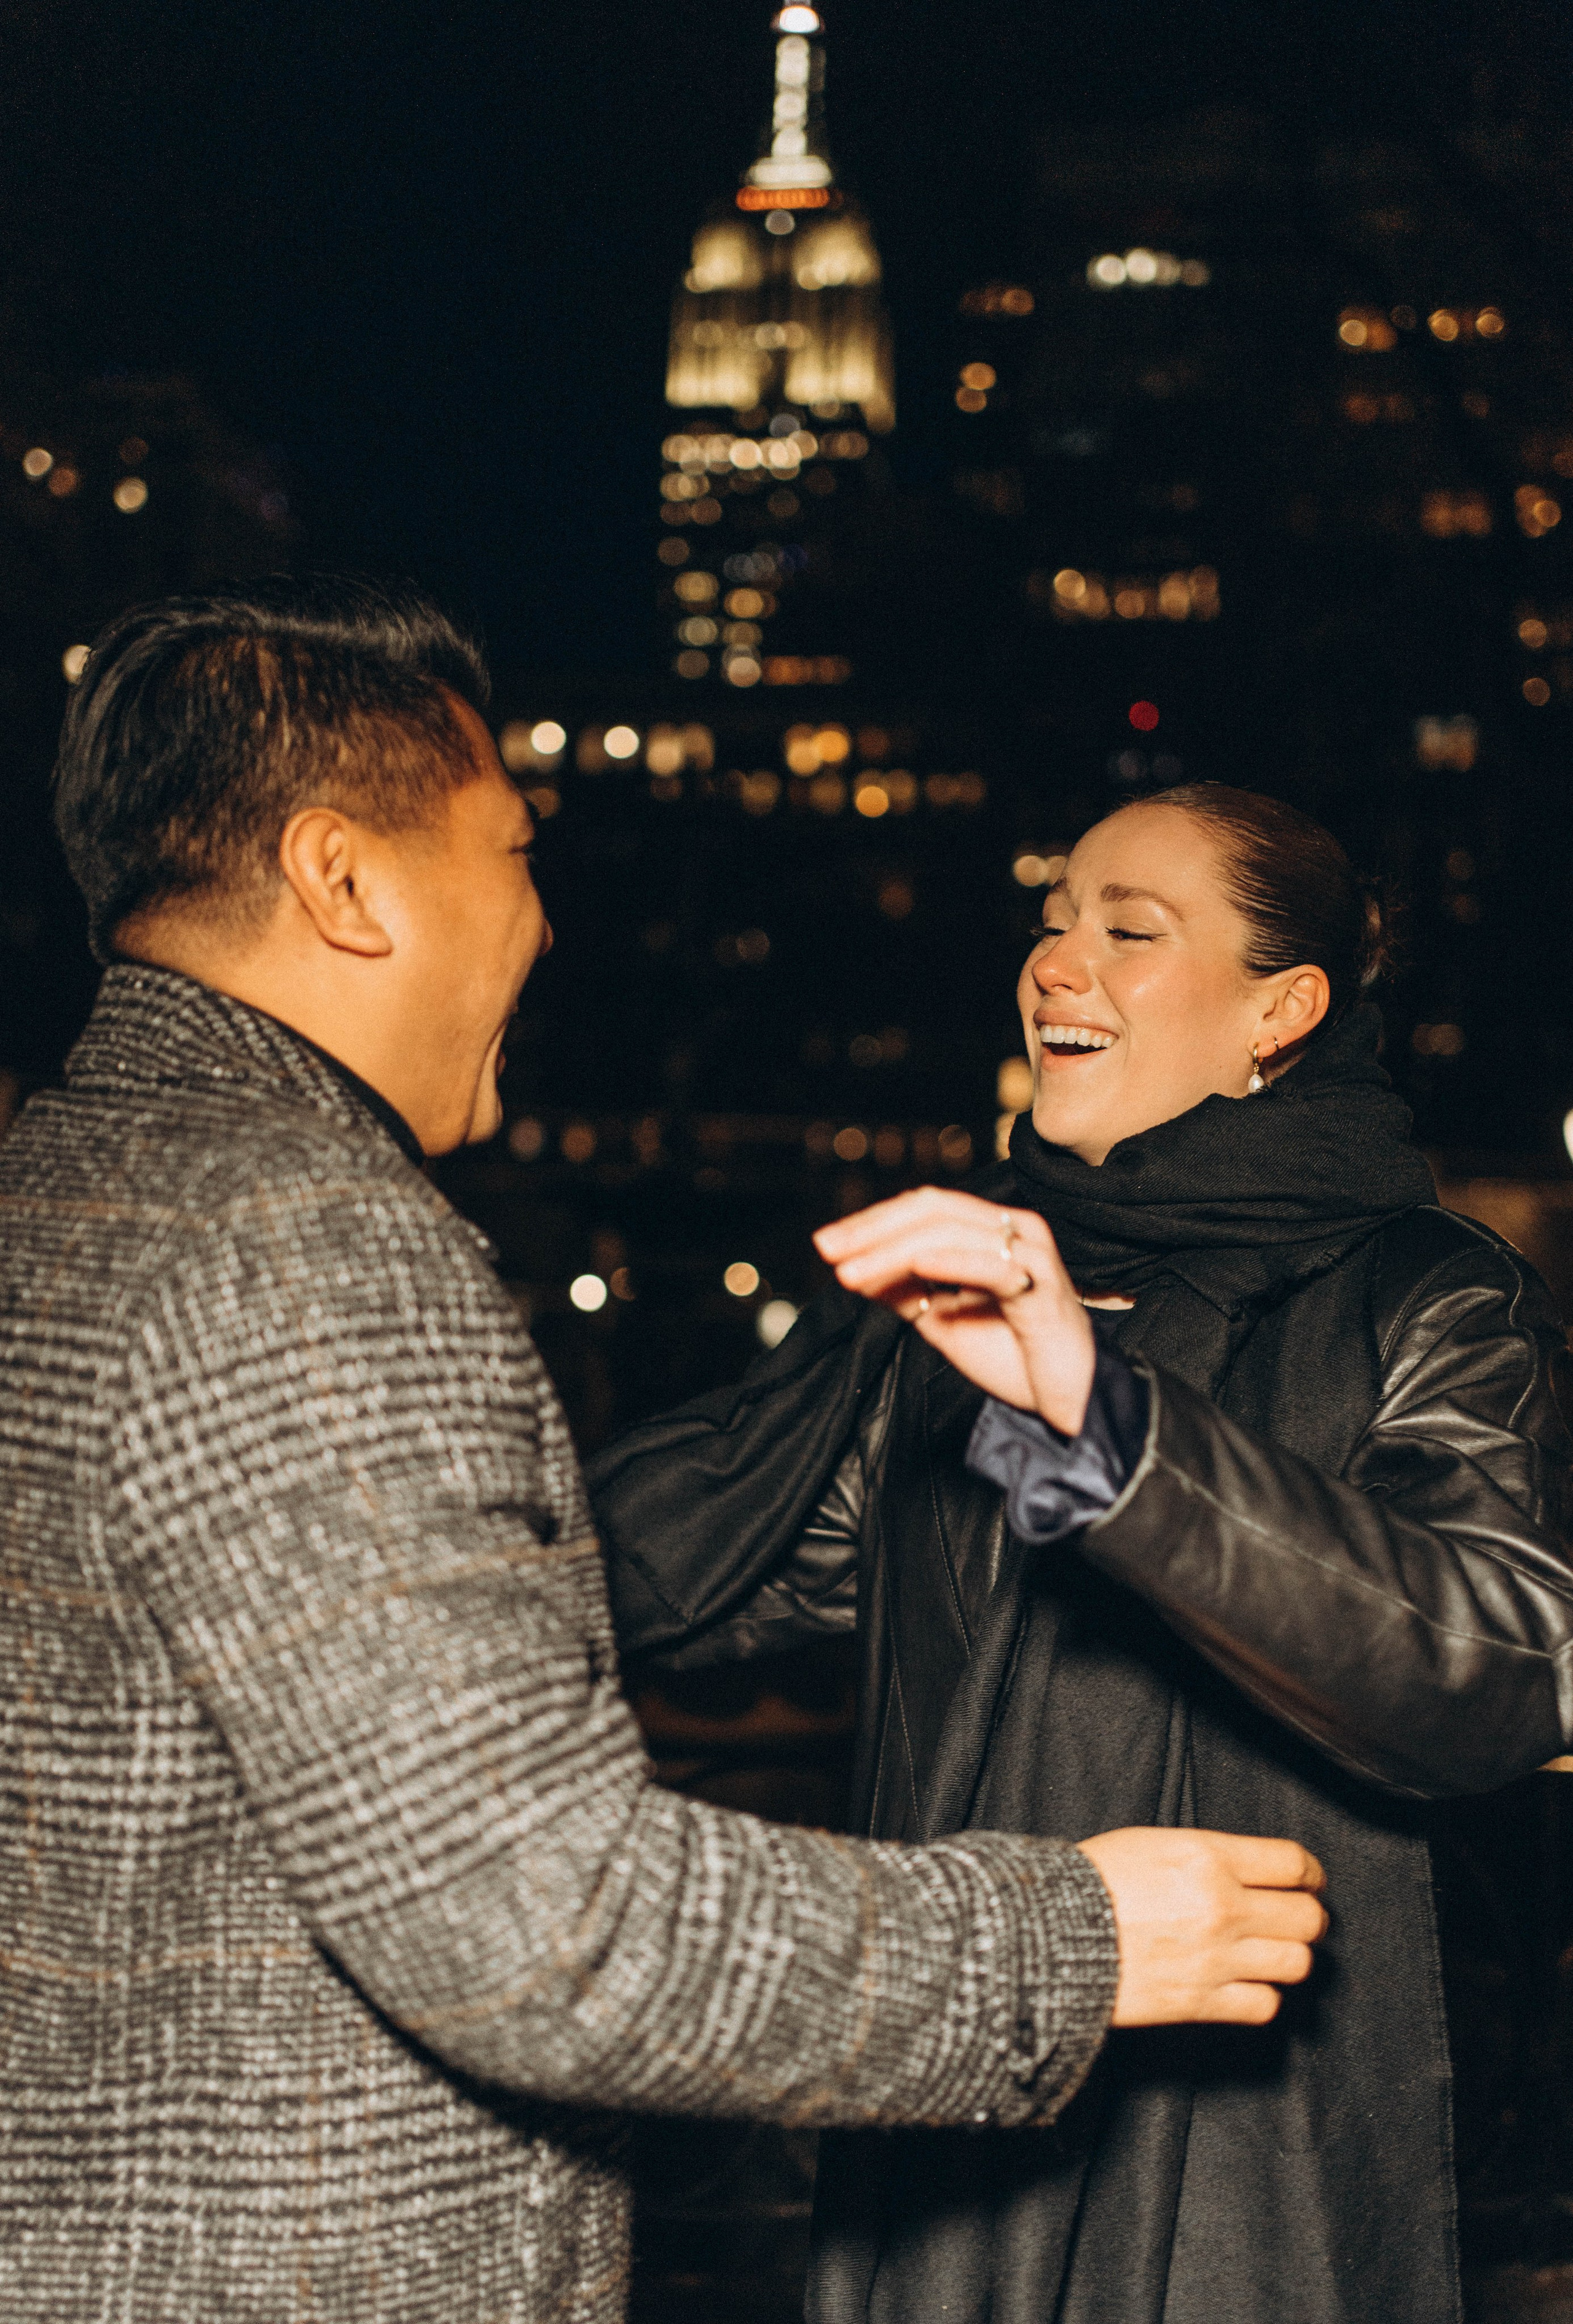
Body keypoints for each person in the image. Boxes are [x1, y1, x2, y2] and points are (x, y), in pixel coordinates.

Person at [0, 582, 1327, 2324]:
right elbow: (537, 1924)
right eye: (513, 852)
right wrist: (1068, 1943)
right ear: (342, 879)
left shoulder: (63, 1197)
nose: (541, 927)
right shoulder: (303, 1241)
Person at [590, 784, 1573, 2324]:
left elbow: (1495, 1664)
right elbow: (726, 1559)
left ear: (1281, 1011)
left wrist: (1111, 1430)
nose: (1059, 963)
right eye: (1053, 924)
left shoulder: (1426, 1293)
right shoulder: (959, 1291)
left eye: (1129, 931)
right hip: (957, 2119)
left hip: (1257, 2157)